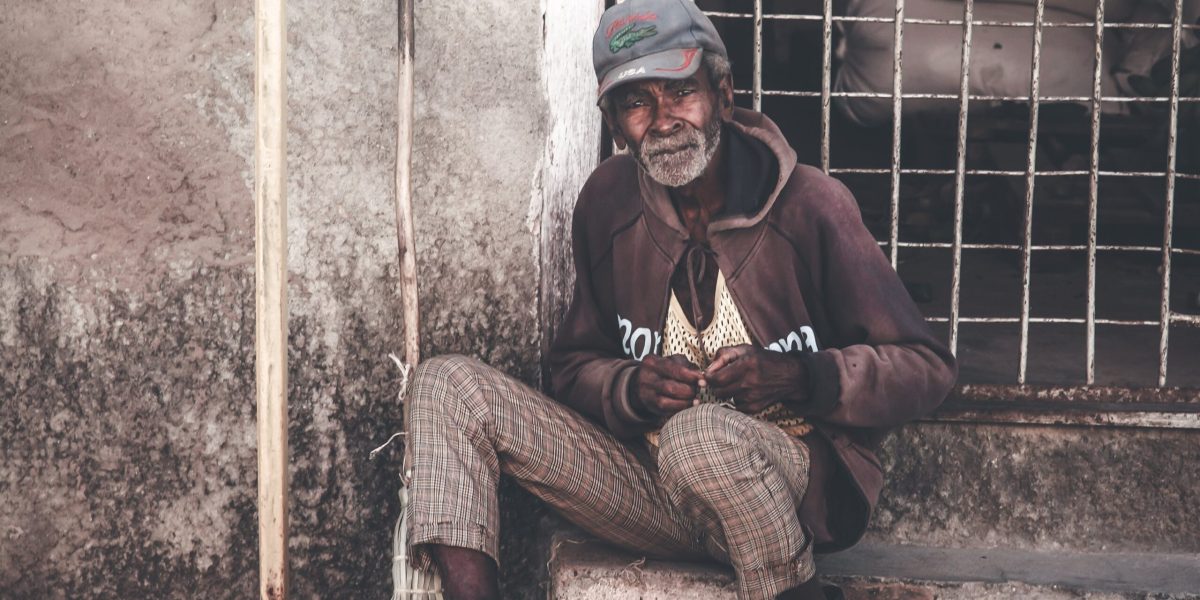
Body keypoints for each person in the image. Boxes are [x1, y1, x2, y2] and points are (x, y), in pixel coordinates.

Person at [401, 1, 958, 598]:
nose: (663, 120)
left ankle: (790, 589)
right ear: (614, 124)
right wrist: (631, 388)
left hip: (787, 485)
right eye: (637, 102)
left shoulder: (812, 205)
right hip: (651, 486)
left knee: (700, 437)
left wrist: (801, 376)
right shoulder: (607, 204)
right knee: (445, 385)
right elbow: (571, 367)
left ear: (722, 94)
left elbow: (927, 370)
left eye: (680, 93)